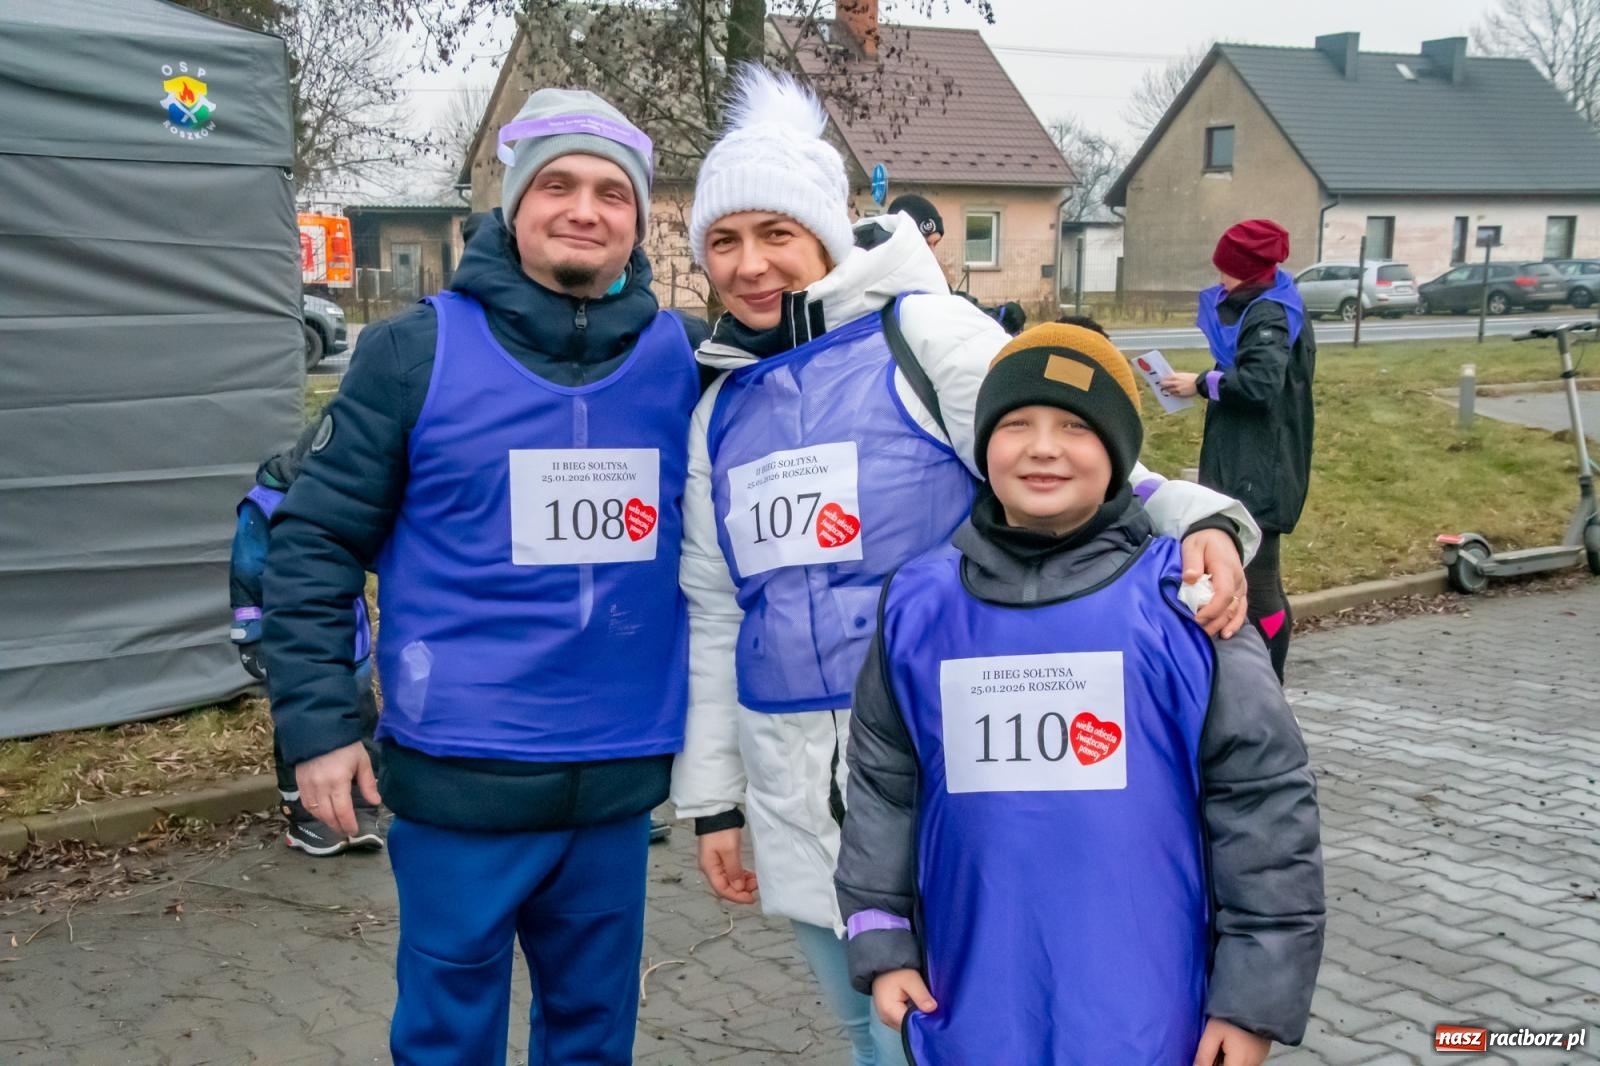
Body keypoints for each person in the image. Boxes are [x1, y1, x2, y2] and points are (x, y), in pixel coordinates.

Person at [671, 67, 1261, 1066]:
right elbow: (718, 608)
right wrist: (714, 800)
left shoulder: (922, 333)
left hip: (951, 764)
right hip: (797, 786)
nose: (750, 263)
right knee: (874, 1030)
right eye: (723, 241)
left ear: (824, 232)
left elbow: (1065, 454)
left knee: (962, 1032)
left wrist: (1197, 517)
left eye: (776, 232)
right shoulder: (717, 410)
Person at [263, 90, 704, 1066]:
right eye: (557, 184)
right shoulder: (410, 352)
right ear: (511, 206)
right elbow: (309, 545)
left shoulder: (682, 360)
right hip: (460, 779)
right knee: (445, 1040)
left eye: (609, 191)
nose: (584, 208)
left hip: (615, 783)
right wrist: (320, 727)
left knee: (593, 1038)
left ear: (637, 220)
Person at [836, 323, 1325, 1066]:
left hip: (1150, 1008)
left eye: (1074, 426)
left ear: (1121, 455)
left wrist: (1252, 1000)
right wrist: (880, 936)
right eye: (1016, 424)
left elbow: (1262, 803)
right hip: (971, 996)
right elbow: (882, 786)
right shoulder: (917, 603)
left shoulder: (1187, 602)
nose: (1042, 448)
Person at [1160, 219, 1316, 681]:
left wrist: (1202, 383)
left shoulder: (1269, 314)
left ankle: (1269, 680)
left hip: (1262, 464)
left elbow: (1261, 384)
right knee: (1253, 573)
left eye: (1227, 270)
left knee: (1261, 581)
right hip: (1248, 456)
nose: (1220, 278)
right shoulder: (1263, 303)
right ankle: (1256, 675)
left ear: (1247, 271)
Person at [229, 422, 382, 856]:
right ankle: (304, 812)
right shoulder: (264, 504)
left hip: (346, 632)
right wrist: (250, 634)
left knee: (360, 712)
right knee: (301, 723)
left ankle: (362, 804)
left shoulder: (340, 495)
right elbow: (246, 572)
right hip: (286, 635)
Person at [886, 192, 1025, 335]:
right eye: (924, 244)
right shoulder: (880, 287)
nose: (931, 254)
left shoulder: (926, 279)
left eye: (936, 243)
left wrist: (998, 315)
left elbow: (952, 304)